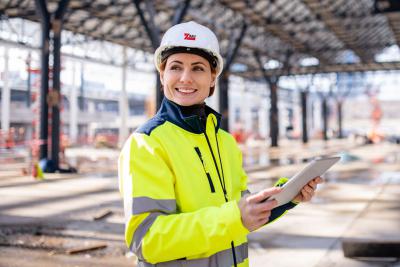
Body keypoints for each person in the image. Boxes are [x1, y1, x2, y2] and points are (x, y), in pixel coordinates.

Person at [118, 21, 323, 267]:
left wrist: (287, 197)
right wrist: (235, 217)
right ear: (162, 75)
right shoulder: (147, 144)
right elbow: (147, 240)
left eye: (198, 68)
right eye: (175, 67)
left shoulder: (224, 142)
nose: (185, 78)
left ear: (213, 78)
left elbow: (241, 211)